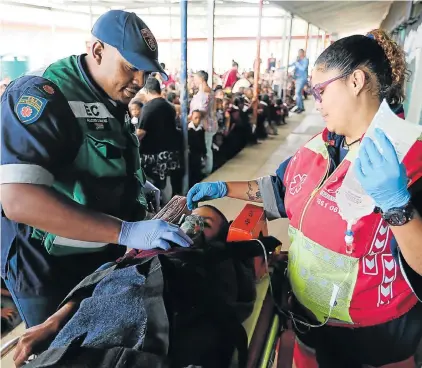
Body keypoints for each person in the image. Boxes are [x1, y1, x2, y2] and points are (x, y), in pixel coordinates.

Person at [187, 29, 422, 368]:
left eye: (321, 90)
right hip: (309, 324)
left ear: (355, 81)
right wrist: (226, 189)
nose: (317, 101)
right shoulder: (322, 144)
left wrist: (398, 206)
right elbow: (283, 191)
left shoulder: (411, 158)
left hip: (375, 342)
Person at [0, 10, 192, 329]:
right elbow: (19, 200)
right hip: (45, 264)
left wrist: (136, 188)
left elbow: (100, 156)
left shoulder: (108, 94)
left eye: (145, 72)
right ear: (98, 51)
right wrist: (125, 231)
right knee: (59, 347)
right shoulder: (43, 94)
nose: (139, 82)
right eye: (131, 68)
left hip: (97, 251)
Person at [12, 204, 279, 368]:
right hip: (84, 337)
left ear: (217, 240)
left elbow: (237, 300)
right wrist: (53, 322)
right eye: (187, 218)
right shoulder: (140, 250)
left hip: (152, 342)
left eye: (203, 223)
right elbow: (94, 282)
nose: (190, 224)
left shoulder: (214, 261)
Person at [138, 77, 181, 204]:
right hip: (169, 151)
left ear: (146, 91)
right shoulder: (169, 106)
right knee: (166, 181)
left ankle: (160, 208)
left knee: (153, 183)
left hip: (154, 154)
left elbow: (141, 132)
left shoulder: (149, 107)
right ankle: (169, 206)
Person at [190, 70, 217, 176]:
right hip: (209, 124)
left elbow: (201, 111)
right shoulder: (209, 92)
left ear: (201, 79)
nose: (194, 81)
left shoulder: (203, 94)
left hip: (204, 125)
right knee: (207, 148)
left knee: (206, 148)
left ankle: (207, 170)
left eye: (195, 79)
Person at [188, 110, 207, 187]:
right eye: (196, 118)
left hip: (198, 154)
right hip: (190, 154)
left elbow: (202, 142)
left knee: (197, 171)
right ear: (191, 118)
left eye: (199, 118)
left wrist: (204, 152)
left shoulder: (201, 129)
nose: (198, 120)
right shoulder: (188, 129)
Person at [289, 49, 309, 114]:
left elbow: (303, 68)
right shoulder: (298, 60)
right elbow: (291, 65)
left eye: (300, 52)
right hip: (297, 78)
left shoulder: (305, 60)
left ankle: (300, 107)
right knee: (298, 93)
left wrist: (297, 63)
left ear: (303, 53)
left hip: (302, 78)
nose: (299, 54)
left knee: (297, 93)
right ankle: (300, 107)